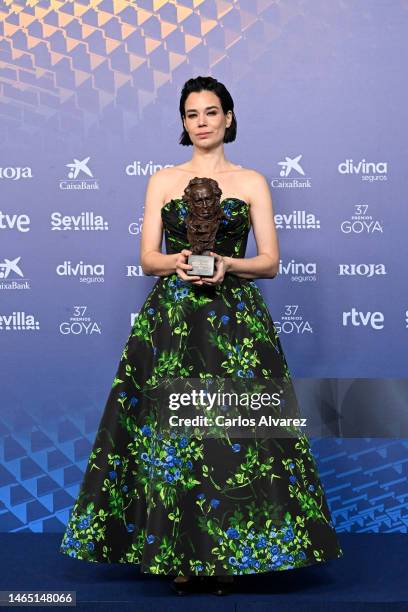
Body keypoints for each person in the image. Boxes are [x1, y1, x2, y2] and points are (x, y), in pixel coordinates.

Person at [59, 76, 343, 596]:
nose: (203, 122)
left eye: (212, 112)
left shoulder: (253, 181)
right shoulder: (162, 179)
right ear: (183, 122)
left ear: (229, 118)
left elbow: (271, 263)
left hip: (235, 321)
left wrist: (229, 264)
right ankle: (177, 556)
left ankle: (231, 556)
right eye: (192, 114)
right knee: (175, 439)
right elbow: (147, 257)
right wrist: (177, 263)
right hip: (173, 319)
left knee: (234, 438)